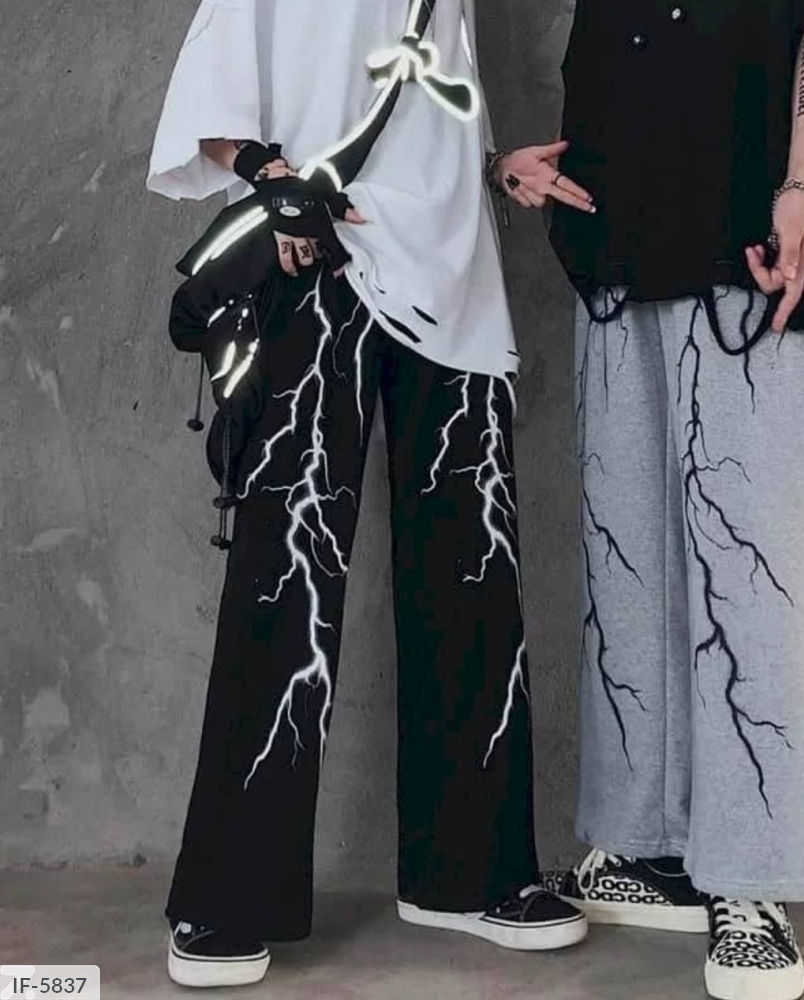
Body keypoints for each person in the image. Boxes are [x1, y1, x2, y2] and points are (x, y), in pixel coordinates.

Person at [147, 0, 596, 988]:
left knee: (473, 572)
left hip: (453, 275)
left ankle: (468, 874)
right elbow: (208, 101)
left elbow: (425, 102)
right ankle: (227, 896)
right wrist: (269, 180)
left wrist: (491, 166)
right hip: (321, 260)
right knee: (285, 579)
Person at [494, 2, 804, 999]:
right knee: (627, 559)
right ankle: (643, 845)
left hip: (745, 242)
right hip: (612, 241)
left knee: (752, 570)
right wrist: (518, 168)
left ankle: (752, 882)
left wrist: (802, 187)